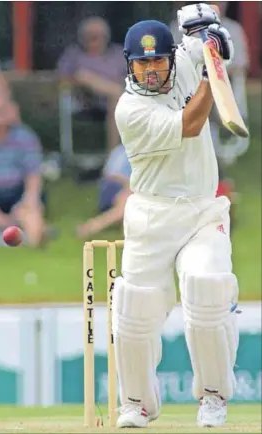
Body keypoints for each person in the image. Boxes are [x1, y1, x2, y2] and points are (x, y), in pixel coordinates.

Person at [112, 4, 239, 429]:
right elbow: (190, 122)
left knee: (206, 292)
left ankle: (214, 396)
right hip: (151, 216)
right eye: (142, 62)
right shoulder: (130, 111)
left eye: (157, 60)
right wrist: (210, 70)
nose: (151, 69)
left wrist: (214, 38)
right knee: (133, 311)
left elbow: (207, 34)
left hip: (202, 211)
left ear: (171, 57)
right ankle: (136, 402)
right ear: (130, 66)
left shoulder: (185, 58)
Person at [169, 1, 250, 228]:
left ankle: (218, 200)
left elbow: (238, 66)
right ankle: (214, 200)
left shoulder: (231, 30)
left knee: (205, 142)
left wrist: (215, 66)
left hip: (219, 97)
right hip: (184, 96)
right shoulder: (179, 26)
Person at [0, 96, 47, 247]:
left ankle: (18, 234)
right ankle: (13, 226)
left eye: (1, 111)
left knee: (32, 218)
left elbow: (33, 174)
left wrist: (30, 199)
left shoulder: (25, 137)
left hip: (18, 192)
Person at [57, 16, 126, 153]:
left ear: (106, 38)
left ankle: (112, 155)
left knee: (117, 99)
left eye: (97, 36)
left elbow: (133, 76)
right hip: (85, 99)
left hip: (115, 101)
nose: (92, 40)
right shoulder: (74, 54)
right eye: (88, 36)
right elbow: (61, 80)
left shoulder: (119, 54)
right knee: (82, 75)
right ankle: (113, 157)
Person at [76, 144, 132, 238]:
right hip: (116, 189)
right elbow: (113, 175)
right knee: (129, 199)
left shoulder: (120, 150)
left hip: (120, 191)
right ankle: (93, 226)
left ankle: (94, 225)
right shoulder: (124, 152)